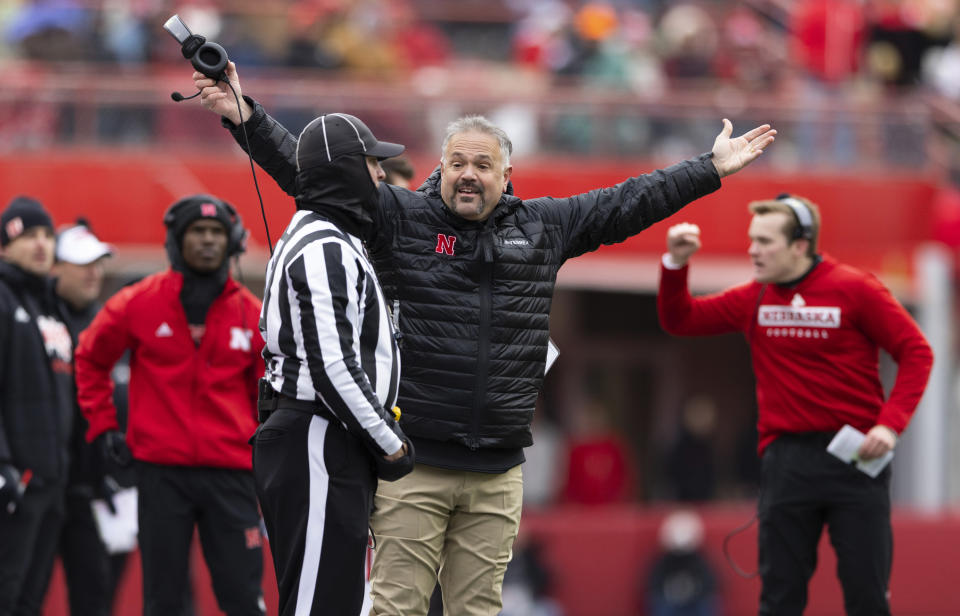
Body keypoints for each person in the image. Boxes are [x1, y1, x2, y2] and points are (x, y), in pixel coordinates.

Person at [193, 61, 775, 615]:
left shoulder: (545, 227)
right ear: (439, 168)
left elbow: (629, 201)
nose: (468, 173)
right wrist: (244, 116)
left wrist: (708, 168)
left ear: (507, 176)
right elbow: (315, 168)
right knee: (397, 606)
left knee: (479, 609)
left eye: (483, 164)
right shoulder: (399, 218)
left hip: (499, 469)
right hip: (411, 459)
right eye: (457, 162)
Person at [656, 195, 934, 615]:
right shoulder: (755, 298)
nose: (752, 249)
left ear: (800, 245)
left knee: (867, 595)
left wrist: (889, 425)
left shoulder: (856, 288)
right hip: (787, 461)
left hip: (857, 459)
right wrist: (676, 264)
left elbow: (916, 351)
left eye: (765, 241)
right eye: (752, 239)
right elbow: (682, 319)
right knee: (780, 598)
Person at [253, 112, 415, 615]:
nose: (382, 175)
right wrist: (390, 444)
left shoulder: (328, 238)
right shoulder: (324, 245)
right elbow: (333, 367)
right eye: (372, 163)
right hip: (318, 436)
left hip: (321, 437)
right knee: (317, 607)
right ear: (345, 169)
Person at [75, 195, 267, 616]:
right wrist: (104, 425)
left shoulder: (253, 315)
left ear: (231, 241)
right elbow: (89, 356)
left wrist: (263, 451)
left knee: (243, 596)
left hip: (231, 473)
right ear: (176, 241)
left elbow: (266, 397)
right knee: (162, 600)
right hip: (161, 473)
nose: (207, 242)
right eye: (197, 232)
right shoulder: (139, 302)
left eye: (217, 233)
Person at [0, 196, 74, 616]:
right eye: (28, 236)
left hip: (53, 482)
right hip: (17, 482)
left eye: (47, 235)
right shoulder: (3, 299)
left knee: (31, 601)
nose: (42, 244)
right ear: (5, 246)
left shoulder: (51, 306)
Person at [51, 221, 117, 616]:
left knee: (95, 597)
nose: (94, 272)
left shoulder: (107, 323)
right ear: (55, 267)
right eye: (81, 263)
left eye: (98, 263)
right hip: (42, 484)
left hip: (94, 492)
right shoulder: (34, 321)